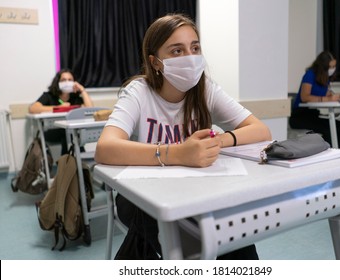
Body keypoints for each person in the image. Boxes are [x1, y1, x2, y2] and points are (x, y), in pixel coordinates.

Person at [95, 14, 272, 260]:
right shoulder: (138, 92)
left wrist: (218, 141)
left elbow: (261, 130)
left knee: (233, 240)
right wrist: (178, 153)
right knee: (187, 239)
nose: (189, 57)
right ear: (155, 62)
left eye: (195, 48)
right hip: (142, 196)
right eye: (177, 51)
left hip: (196, 192)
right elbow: (105, 148)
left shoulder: (205, 89)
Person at [289, 51, 340, 148]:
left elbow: (329, 94)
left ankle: (337, 153)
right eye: (330, 67)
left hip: (313, 115)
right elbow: (304, 97)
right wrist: (327, 99)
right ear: (323, 66)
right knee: (329, 129)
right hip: (300, 117)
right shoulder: (310, 75)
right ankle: (328, 156)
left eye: (334, 66)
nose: (332, 69)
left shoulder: (324, 78)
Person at [29, 69, 93, 155]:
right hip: (51, 132)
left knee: (71, 132)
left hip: (71, 131)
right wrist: (58, 108)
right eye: (63, 80)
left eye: (70, 80)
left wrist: (82, 90)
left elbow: (90, 109)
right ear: (58, 82)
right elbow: (33, 108)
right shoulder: (49, 96)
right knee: (66, 132)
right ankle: (72, 164)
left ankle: (77, 164)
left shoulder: (75, 97)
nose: (67, 82)